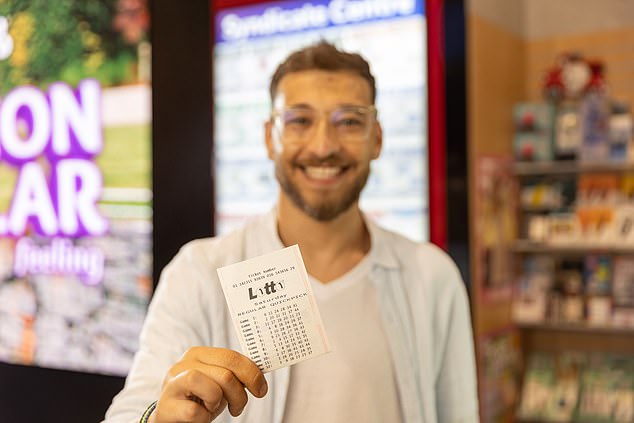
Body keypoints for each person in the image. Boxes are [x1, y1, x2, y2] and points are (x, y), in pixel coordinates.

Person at [104, 41, 479, 423]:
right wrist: (157, 417)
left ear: (377, 139)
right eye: (300, 120)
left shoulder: (432, 276)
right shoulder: (199, 272)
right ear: (270, 137)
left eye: (349, 121)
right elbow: (129, 411)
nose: (323, 146)